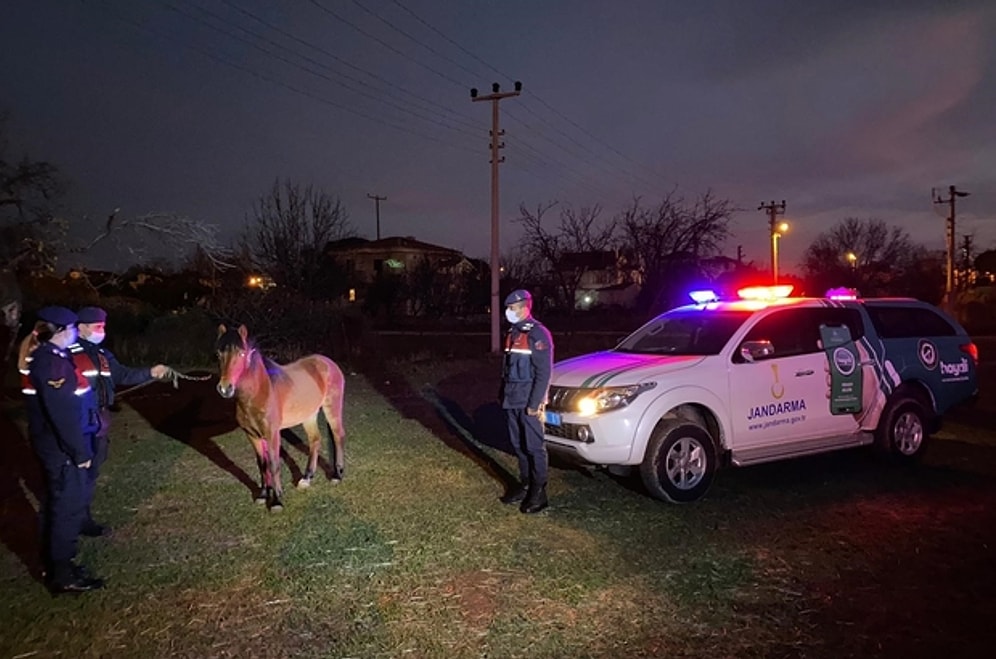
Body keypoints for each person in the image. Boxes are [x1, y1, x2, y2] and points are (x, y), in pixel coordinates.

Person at [24, 306, 104, 593]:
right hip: (63, 450)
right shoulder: (51, 365)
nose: (74, 332)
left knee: (58, 505)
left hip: (57, 446)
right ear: (61, 332)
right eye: (71, 328)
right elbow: (63, 415)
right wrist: (80, 453)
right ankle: (63, 573)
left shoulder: (53, 357)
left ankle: (55, 566)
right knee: (67, 509)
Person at [71, 306, 170, 536]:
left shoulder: (103, 355)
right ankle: (69, 521)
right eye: (97, 327)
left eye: (103, 327)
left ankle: (83, 517)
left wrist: (150, 372)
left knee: (92, 470)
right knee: (74, 474)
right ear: (82, 328)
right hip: (77, 422)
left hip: (98, 421)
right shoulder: (68, 354)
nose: (101, 331)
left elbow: (123, 375)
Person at [498, 289, 554, 514]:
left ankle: (539, 492)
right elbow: (507, 368)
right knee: (519, 445)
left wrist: (535, 403)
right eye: (508, 309)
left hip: (528, 400)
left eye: (512, 308)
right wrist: (502, 393)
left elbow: (544, 372)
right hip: (512, 398)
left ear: (524, 308)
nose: (508, 312)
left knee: (534, 447)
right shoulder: (513, 333)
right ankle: (526, 484)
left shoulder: (538, 334)